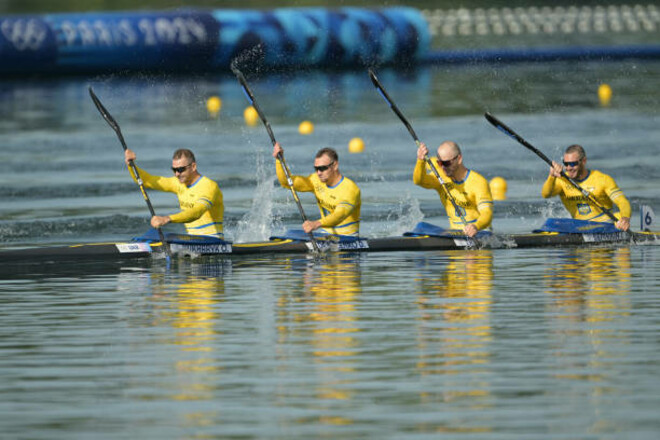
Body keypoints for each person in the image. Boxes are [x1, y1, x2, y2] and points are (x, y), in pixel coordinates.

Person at [124, 148, 224, 237]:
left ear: (193, 167)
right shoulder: (177, 183)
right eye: (174, 169)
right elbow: (146, 181)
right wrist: (131, 165)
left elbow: (196, 213)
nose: (177, 174)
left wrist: (167, 219)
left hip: (214, 241)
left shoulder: (209, 186)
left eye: (180, 169)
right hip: (192, 240)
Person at [272, 143, 361, 236]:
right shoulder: (315, 181)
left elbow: (340, 215)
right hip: (325, 237)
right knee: (290, 233)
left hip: (348, 239)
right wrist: (279, 160)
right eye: (316, 169)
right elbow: (287, 182)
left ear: (335, 166)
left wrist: (316, 224)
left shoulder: (350, 189)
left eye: (322, 168)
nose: (318, 173)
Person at [542, 144, 630, 231]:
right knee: (551, 222)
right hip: (579, 227)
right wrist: (551, 176)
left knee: (618, 217)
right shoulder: (562, 180)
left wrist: (625, 219)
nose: (569, 168)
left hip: (604, 225)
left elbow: (622, 202)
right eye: (566, 164)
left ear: (583, 161)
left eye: (573, 164)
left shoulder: (602, 179)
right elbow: (546, 194)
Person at [413, 141, 493, 237]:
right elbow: (419, 181)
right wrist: (420, 160)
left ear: (459, 159)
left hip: (479, 232)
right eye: (439, 163)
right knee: (421, 226)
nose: (442, 167)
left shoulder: (478, 182)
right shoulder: (440, 178)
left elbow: (486, 213)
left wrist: (475, 226)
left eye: (446, 163)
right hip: (454, 233)